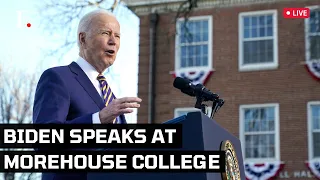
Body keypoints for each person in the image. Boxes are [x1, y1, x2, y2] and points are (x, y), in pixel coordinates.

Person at [33, 9, 142, 180]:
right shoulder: (58, 78)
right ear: (82, 38)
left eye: (118, 36)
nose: (113, 41)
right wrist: (98, 119)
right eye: (106, 33)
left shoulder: (110, 97)